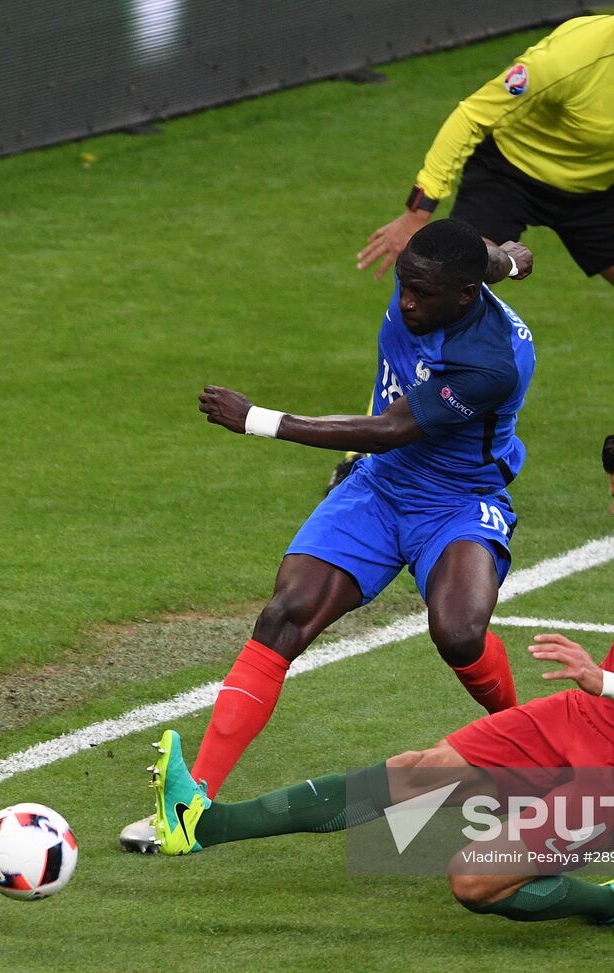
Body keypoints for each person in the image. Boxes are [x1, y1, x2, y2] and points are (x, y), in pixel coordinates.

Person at [148, 201, 614, 928]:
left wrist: (607, 678)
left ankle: (601, 898)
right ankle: (203, 821)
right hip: (586, 715)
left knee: (473, 878)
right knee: (421, 769)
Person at [119, 219, 536, 851]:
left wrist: (260, 420)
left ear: (464, 295)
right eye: (403, 286)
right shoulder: (458, 269)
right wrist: (511, 257)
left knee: (458, 631)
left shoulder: (491, 364)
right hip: (380, 487)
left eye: (424, 294)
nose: (407, 303)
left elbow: (391, 428)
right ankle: (188, 809)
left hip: (456, 501)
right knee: (285, 615)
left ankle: (531, 749)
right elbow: (503, 257)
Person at [347, 0, 614, 487]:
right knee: (436, 299)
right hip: (509, 175)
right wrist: (419, 208)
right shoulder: (570, 57)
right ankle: (362, 453)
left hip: (602, 191)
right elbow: (472, 114)